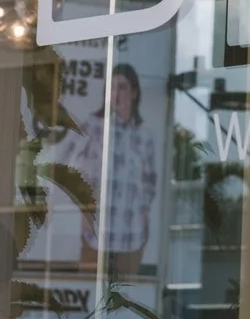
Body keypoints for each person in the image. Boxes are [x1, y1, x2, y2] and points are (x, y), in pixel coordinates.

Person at [39, 61, 161, 275]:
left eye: (122, 87)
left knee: (126, 298)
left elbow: (150, 181)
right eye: (112, 87)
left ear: (133, 92)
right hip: (96, 234)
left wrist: (144, 213)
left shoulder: (145, 134)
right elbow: (61, 159)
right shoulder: (93, 125)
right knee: (90, 296)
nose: (117, 93)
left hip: (131, 237)